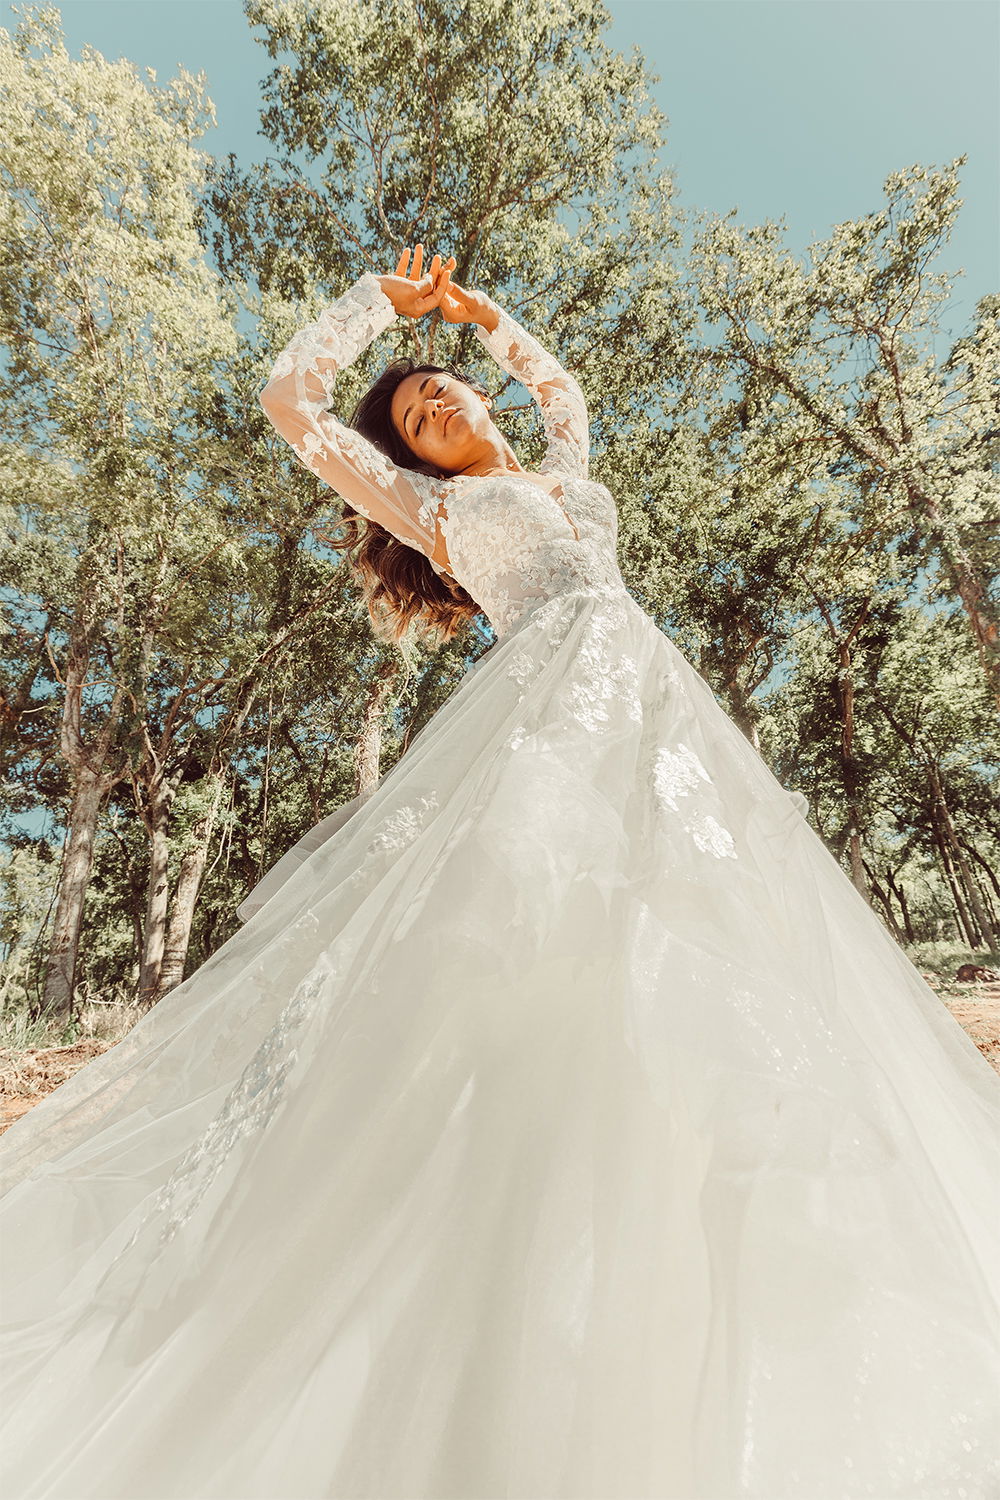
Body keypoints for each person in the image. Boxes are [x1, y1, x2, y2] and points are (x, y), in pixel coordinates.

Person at [1, 244, 998, 1500]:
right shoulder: (435, 511)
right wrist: (379, 307)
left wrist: (482, 318)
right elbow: (289, 403)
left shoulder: (563, 476)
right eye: (414, 415)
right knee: (528, 954)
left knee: (714, 944)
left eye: (441, 388)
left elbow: (566, 394)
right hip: (545, 724)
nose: (436, 405)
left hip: (660, 717)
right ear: (411, 467)